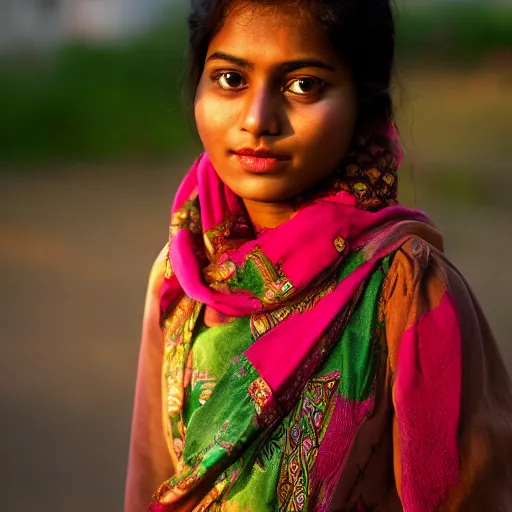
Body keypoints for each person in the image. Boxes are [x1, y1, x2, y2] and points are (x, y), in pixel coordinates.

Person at [125, 1, 512, 510]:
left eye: (304, 84)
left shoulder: (406, 288)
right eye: (229, 78)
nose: (257, 119)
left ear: (363, 104)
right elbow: (151, 477)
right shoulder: (182, 271)